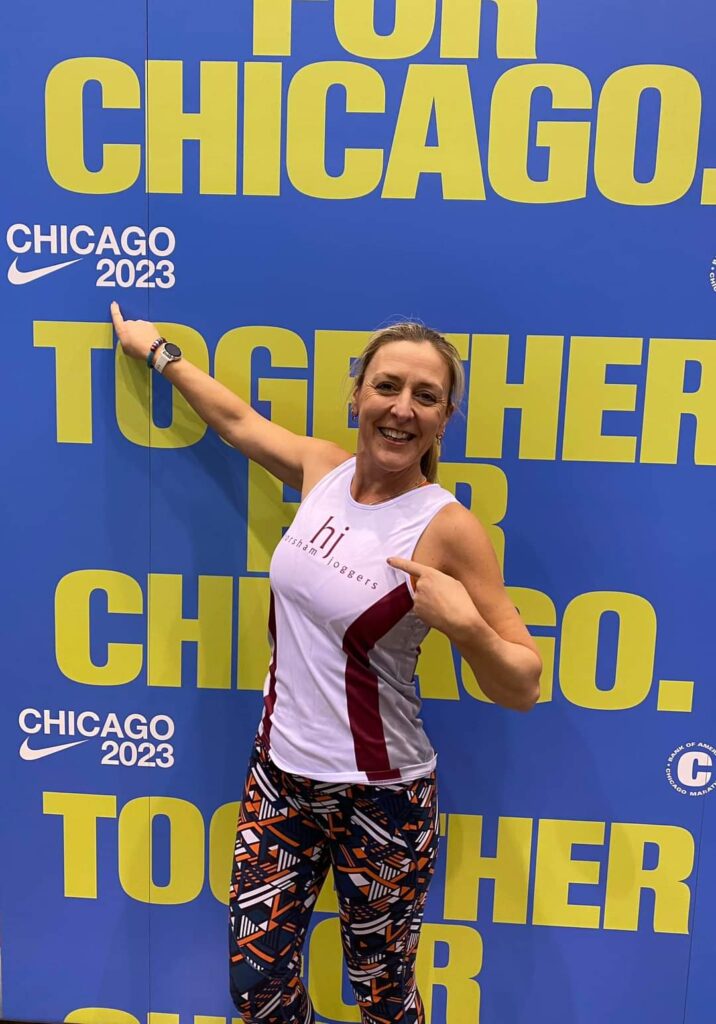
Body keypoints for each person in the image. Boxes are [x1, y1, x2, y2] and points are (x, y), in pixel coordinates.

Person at [110, 304, 542, 1024]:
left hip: (382, 800)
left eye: (425, 397)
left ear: (444, 419)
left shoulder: (447, 528)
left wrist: (465, 627)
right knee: (259, 989)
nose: (401, 409)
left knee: (382, 997)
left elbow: (523, 684)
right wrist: (157, 351)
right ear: (357, 395)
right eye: (387, 386)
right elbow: (239, 423)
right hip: (279, 777)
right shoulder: (324, 469)